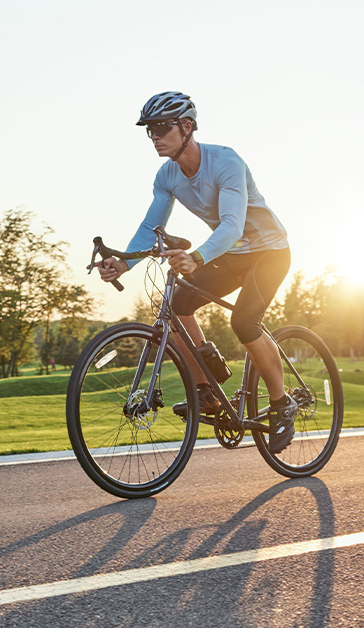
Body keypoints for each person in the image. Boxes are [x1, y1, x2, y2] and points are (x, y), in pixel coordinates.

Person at [95, 91, 297, 447]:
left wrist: (198, 258)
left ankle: (283, 405)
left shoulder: (225, 162)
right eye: (150, 131)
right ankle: (208, 389)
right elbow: (149, 228)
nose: (155, 137)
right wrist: (123, 263)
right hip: (231, 254)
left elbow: (232, 225)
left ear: (186, 127)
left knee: (244, 322)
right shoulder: (167, 175)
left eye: (161, 128)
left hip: (269, 251)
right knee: (177, 304)